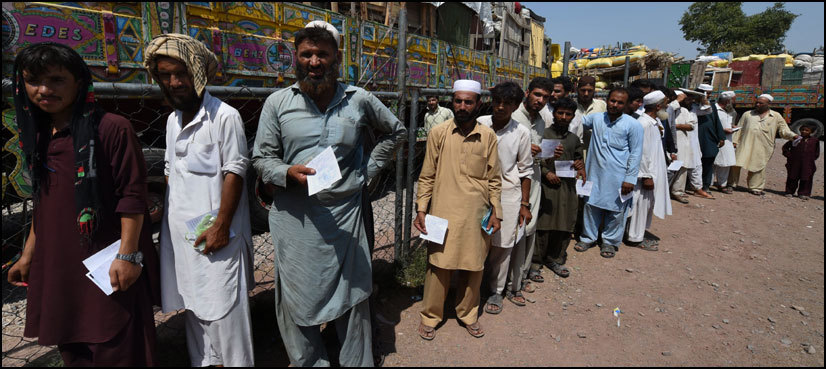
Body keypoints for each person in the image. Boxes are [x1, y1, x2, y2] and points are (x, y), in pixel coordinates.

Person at [252, 21, 405, 366]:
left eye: (322, 54)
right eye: (306, 54)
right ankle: (311, 362)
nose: (314, 61)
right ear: (297, 58)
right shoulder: (278, 103)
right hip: (296, 219)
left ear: (336, 58)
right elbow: (261, 158)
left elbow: (395, 132)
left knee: (352, 298)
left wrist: (366, 173)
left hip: (345, 217)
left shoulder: (359, 99)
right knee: (296, 298)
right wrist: (285, 173)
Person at [8, 42, 160, 366]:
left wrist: (129, 256)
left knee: (118, 348)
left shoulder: (111, 129)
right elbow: (43, 201)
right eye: (34, 81)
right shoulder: (38, 136)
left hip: (106, 266)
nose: (44, 89)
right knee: (73, 348)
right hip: (59, 269)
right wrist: (28, 255)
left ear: (79, 82)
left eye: (56, 80)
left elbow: (133, 197)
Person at [144, 33, 255, 367]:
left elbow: (235, 171)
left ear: (198, 73)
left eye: (182, 73)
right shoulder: (171, 120)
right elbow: (169, 172)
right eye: (165, 75)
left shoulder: (224, 117)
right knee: (194, 307)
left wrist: (221, 226)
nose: (175, 82)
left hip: (219, 235)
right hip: (183, 238)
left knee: (224, 311)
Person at [414, 79, 501, 340]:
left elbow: (494, 178)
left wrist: (496, 211)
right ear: (452, 102)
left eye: (468, 102)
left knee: (473, 267)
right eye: (458, 101)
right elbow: (426, 175)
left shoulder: (488, 136)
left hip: (476, 214)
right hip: (442, 212)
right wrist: (421, 209)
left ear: (478, 104)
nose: (462, 106)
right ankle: (431, 316)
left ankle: (468, 314)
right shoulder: (439, 133)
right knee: (438, 265)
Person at [477, 82, 533, 314]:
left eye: (507, 103)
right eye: (497, 101)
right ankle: (471, 288)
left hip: (508, 194)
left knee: (502, 247)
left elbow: (525, 170)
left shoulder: (521, 132)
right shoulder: (479, 124)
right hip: (478, 192)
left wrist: (524, 204)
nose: (501, 107)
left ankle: (495, 292)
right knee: (477, 243)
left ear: (516, 105)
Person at [573, 87, 643, 259]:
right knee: (591, 205)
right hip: (594, 173)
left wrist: (630, 178)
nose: (615, 105)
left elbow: (636, 153)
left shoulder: (633, 125)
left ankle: (610, 242)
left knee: (616, 210)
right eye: (612, 101)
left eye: (620, 102)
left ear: (625, 105)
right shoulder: (596, 119)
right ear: (606, 101)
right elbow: (575, 122)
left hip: (619, 177)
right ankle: (588, 238)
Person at [532, 97, 585, 278]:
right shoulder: (543, 134)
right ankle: (535, 262)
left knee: (564, 223)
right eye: (560, 113)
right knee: (544, 224)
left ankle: (555, 258)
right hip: (546, 187)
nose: (563, 117)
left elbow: (579, 160)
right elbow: (535, 159)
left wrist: (580, 166)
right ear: (554, 114)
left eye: (567, 114)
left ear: (572, 117)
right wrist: (546, 172)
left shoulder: (574, 139)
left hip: (567, 187)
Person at [510, 77, 554, 291]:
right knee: (513, 228)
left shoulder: (541, 121)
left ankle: (522, 275)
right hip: (513, 178)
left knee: (529, 227)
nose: (540, 100)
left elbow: (537, 150)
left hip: (533, 178)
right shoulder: (514, 115)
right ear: (527, 93)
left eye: (545, 97)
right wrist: (527, 148)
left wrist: (547, 152)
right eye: (537, 94)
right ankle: (508, 281)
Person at [624, 91, 673, 250]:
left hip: (654, 171)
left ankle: (638, 233)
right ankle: (635, 238)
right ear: (658, 106)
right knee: (639, 205)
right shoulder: (643, 124)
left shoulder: (654, 121)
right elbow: (642, 153)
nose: (667, 106)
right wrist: (645, 176)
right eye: (665, 103)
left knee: (647, 204)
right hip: (644, 175)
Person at [730, 94, 799, 195]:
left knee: (758, 165)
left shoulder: (776, 116)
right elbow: (739, 129)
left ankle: (755, 188)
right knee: (736, 163)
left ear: (768, 104)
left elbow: (784, 130)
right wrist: (734, 142)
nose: (757, 104)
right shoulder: (747, 114)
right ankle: (731, 184)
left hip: (763, 146)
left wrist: (793, 136)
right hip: (745, 143)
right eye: (756, 102)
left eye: (761, 103)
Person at [696, 93, 726, 198]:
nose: (707, 96)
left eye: (708, 94)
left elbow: (716, 121)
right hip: (696, 139)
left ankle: (705, 186)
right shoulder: (693, 105)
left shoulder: (712, 106)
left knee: (708, 162)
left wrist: (721, 137)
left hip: (709, 139)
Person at [669, 91, 697, 203]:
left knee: (682, 167)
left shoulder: (684, 111)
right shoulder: (668, 109)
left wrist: (675, 126)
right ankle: (666, 191)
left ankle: (678, 192)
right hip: (670, 144)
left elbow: (691, 126)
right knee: (671, 168)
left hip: (682, 143)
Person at [782, 121, 820, 200]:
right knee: (792, 177)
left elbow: (817, 152)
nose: (804, 131)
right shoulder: (795, 139)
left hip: (808, 163)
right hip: (794, 162)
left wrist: (811, 159)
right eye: (802, 129)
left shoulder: (814, 141)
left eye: (806, 130)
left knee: (806, 178)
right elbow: (785, 148)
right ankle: (789, 192)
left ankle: (804, 193)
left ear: (811, 132)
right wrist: (789, 156)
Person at [568, 76, 607, 145]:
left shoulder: (602, 105)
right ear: (577, 90)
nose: (586, 94)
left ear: (594, 90)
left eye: (590, 91)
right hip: (575, 149)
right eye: (583, 90)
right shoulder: (570, 106)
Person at [713, 91, 737, 193]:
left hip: (727, 141)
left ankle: (722, 184)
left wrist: (732, 127)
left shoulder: (730, 111)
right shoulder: (713, 110)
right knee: (711, 163)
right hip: (715, 139)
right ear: (728, 101)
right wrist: (723, 130)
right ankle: (706, 184)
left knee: (726, 163)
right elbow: (710, 126)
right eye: (733, 100)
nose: (735, 102)